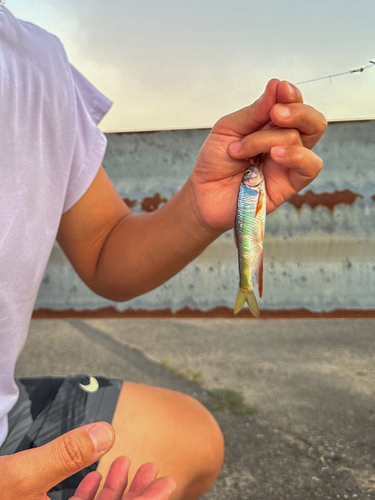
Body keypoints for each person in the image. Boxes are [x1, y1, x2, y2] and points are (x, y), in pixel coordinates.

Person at [0, 3, 327, 500]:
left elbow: (104, 248)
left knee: (191, 435)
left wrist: (199, 209)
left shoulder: (39, 61)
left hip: (7, 421)